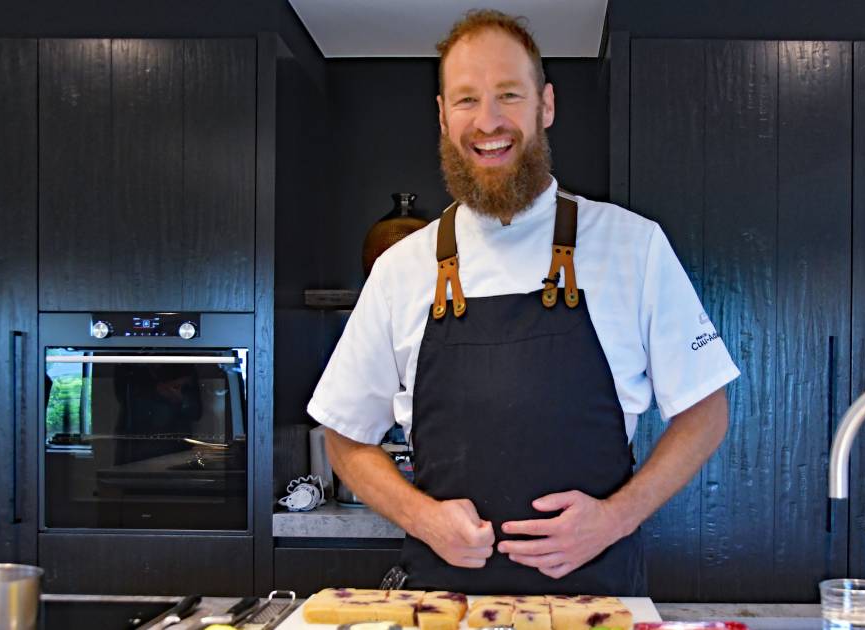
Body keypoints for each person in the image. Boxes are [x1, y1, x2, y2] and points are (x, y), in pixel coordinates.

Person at [307, 9, 739, 595]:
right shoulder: (400, 269)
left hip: (597, 601)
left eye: (509, 94)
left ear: (546, 105)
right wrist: (422, 518)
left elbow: (705, 412)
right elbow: (344, 437)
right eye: (466, 100)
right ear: (441, 116)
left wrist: (616, 517)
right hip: (444, 602)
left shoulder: (633, 247)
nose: (488, 122)